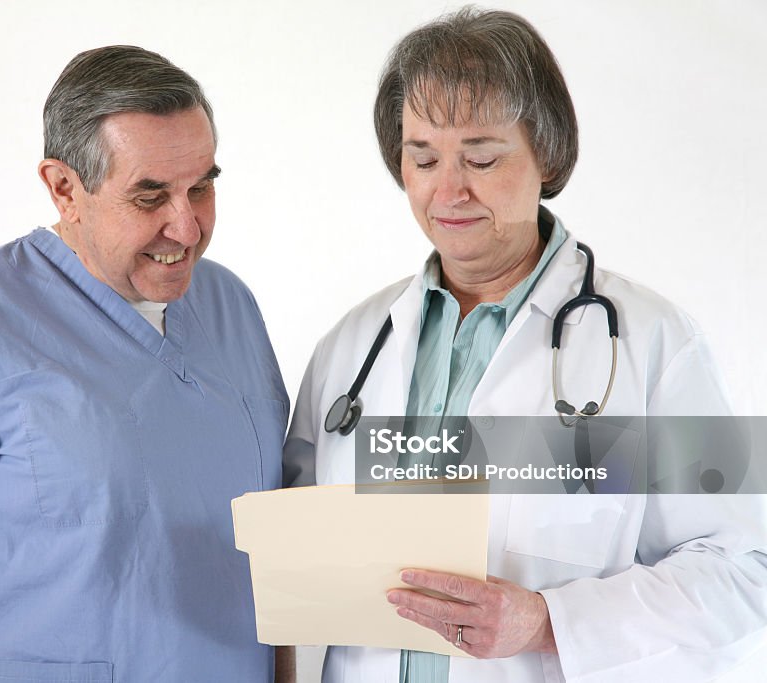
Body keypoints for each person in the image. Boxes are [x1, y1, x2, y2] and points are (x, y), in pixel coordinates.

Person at [284, 8, 767, 682]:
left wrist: (547, 621)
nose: (447, 189)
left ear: (547, 153)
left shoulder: (655, 342)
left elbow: (747, 572)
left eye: (480, 157)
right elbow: (295, 568)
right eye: (422, 157)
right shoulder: (352, 347)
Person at [0, 46, 291, 682]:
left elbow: (279, 565)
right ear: (64, 188)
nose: (186, 228)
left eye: (202, 187)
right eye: (150, 195)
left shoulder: (230, 306)